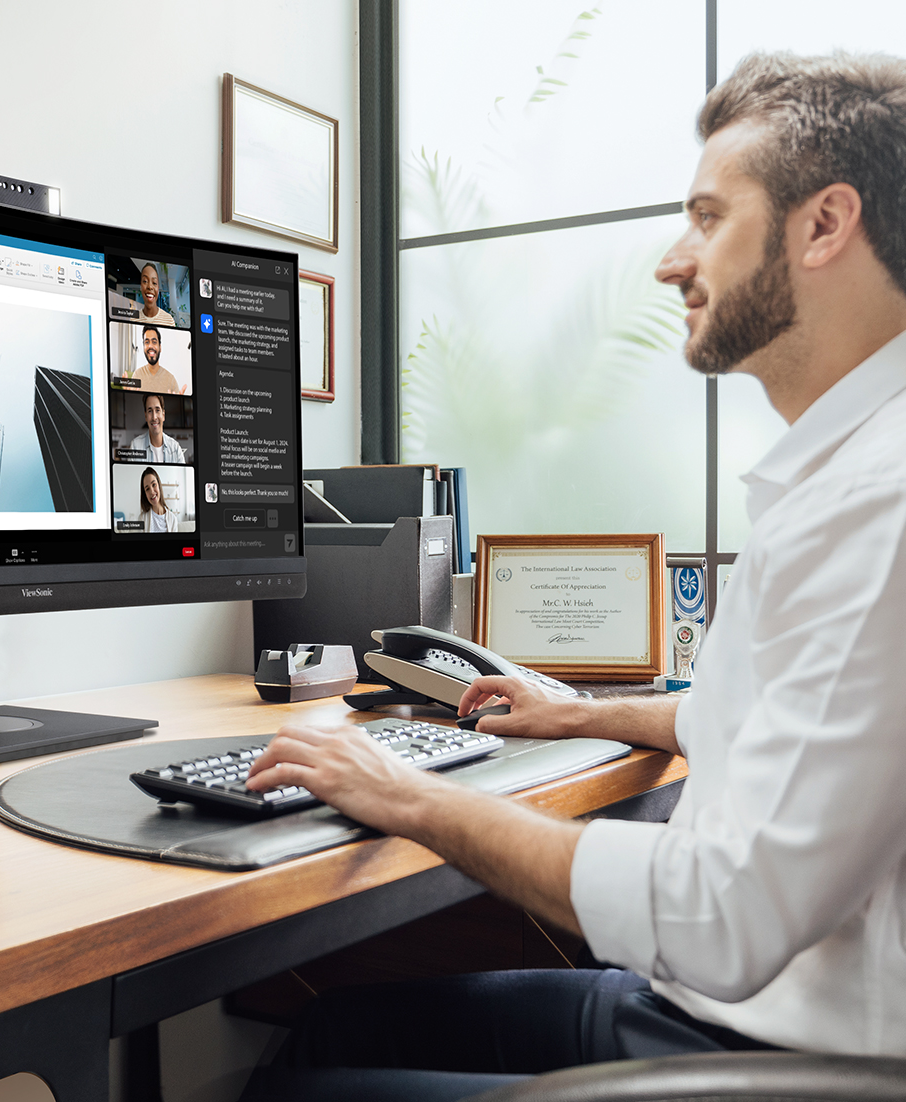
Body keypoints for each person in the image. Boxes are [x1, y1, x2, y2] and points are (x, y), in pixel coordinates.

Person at [240, 52, 906, 1102]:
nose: (670, 261)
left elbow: (719, 915)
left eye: (706, 217)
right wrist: (576, 712)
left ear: (822, 225)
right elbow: (804, 730)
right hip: (716, 1013)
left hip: (780, 1059)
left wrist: (407, 794)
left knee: (298, 1092)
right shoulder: (845, 468)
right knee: (325, 1030)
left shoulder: (878, 504)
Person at [128, 393, 187, 464]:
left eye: (157, 410)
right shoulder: (135, 447)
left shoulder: (175, 448)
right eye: (150, 411)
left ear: (163, 415)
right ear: (146, 416)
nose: (154, 417)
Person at [131, 326, 183, 394]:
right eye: (147, 342)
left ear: (160, 347)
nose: (150, 346)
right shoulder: (136, 376)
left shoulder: (171, 380)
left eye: (154, 342)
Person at [137, 466, 179, 533]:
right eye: (147, 489)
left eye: (154, 485)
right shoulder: (142, 518)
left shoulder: (173, 519)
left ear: (159, 485)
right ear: (145, 495)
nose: (152, 492)